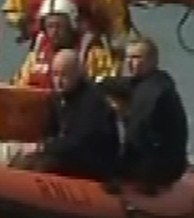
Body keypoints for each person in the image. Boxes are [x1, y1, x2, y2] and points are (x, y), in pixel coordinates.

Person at [96, 35, 189, 188]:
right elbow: (121, 84)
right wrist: (98, 81)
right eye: (128, 57)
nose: (129, 62)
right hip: (166, 161)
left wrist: (119, 113)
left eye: (136, 58)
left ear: (152, 61)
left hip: (159, 168)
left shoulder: (153, 91)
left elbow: (136, 132)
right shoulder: (150, 80)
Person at [13, 50, 121, 181]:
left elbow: (80, 141)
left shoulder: (92, 101)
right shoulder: (57, 97)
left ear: (77, 73)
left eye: (64, 75)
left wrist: (44, 147)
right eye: (55, 74)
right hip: (69, 153)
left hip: (92, 162)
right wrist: (40, 147)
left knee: (44, 165)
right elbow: (50, 130)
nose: (58, 81)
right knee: (24, 160)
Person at [11, 0, 120, 89]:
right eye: (50, 26)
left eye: (59, 26)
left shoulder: (92, 54)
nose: (54, 32)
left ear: (71, 26)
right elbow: (19, 85)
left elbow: (107, 87)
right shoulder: (37, 55)